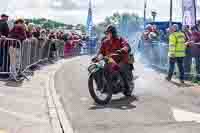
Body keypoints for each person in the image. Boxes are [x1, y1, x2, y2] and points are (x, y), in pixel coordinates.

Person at [94, 25, 135, 96]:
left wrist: (122, 50)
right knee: (97, 69)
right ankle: (101, 87)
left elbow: (126, 46)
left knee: (120, 67)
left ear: (113, 33)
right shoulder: (105, 42)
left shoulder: (120, 39)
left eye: (108, 33)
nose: (107, 35)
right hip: (109, 61)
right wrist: (97, 57)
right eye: (106, 33)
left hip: (121, 60)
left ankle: (127, 87)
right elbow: (101, 52)